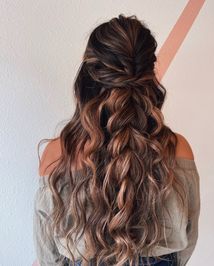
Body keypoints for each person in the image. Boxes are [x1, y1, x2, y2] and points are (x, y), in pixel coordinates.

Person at [33, 14, 200, 266]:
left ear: (88, 75)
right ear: (149, 75)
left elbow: (48, 254)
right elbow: (187, 239)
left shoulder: (59, 154)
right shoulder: (178, 149)